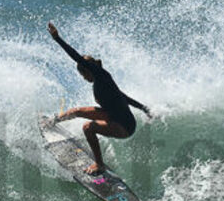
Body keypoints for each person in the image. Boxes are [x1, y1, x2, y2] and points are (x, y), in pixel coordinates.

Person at [47, 22, 151, 175]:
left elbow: (77, 58)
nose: (83, 78)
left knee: (88, 128)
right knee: (77, 111)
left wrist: (57, 38)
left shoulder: (101, 76)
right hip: (112, 116)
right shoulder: (103, 81)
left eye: (83, 75)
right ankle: (54, 121)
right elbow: (123, 97)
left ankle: (99, 165)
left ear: (88, 71)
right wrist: (144, 108)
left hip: (124, 126)